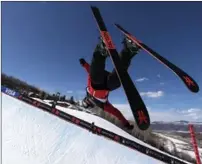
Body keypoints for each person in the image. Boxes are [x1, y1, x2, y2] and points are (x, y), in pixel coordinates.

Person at [79, 37, 141, 130]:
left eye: (85, 101)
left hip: (98, 76)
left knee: (95, 78)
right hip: (107, 83)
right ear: (91, 105)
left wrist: (84, 64)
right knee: (117, 83)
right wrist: (125, 123)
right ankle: (128, 50)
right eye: (87, 104)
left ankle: (101, 51)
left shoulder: (88, 89)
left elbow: (90, 71)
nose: (87, 102)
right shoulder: (103, 105)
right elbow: (116, 112)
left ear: (85, 99)